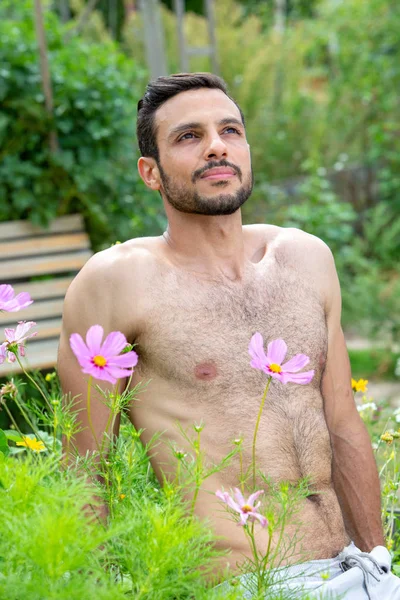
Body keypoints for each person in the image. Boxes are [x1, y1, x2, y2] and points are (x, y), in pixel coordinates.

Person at [57, 73, 400, 599]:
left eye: (230, 130)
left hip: (357, 571)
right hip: (251, 584)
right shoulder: (117, 282)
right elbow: (84, 471)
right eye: (188, 136)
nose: (217, 146)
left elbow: (343, 424)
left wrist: (379, 560)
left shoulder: (306, 258)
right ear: (150, 172)